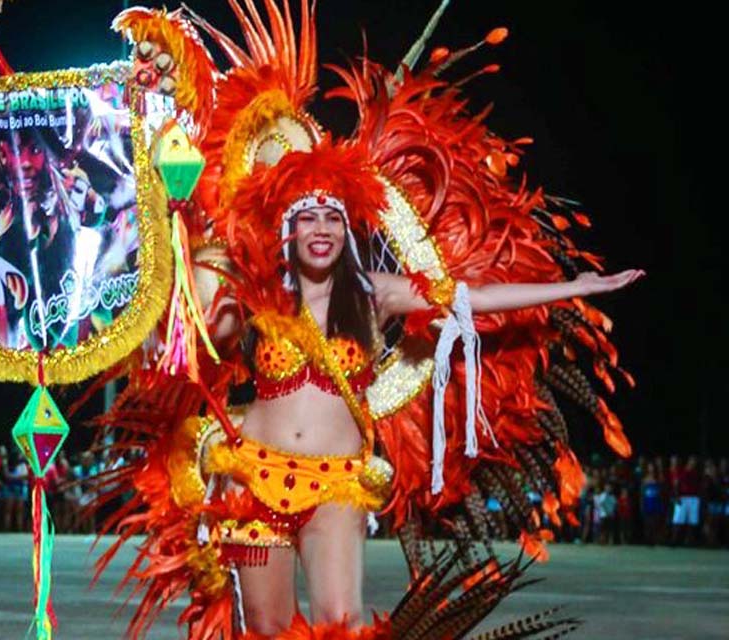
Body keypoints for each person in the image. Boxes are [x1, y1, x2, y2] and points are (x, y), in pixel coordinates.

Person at [82, 4, 644, 639]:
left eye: (331, 218)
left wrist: (574, 286)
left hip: (336, 485)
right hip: (251, 476)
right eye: (306, 218)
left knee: (339, 627)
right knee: (262, 632)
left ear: (345, 231)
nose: (320, 229)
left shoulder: (373, 293)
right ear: (286, 232)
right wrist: (175, 255)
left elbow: (469, 297)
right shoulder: (256, 294)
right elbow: (197, 336)